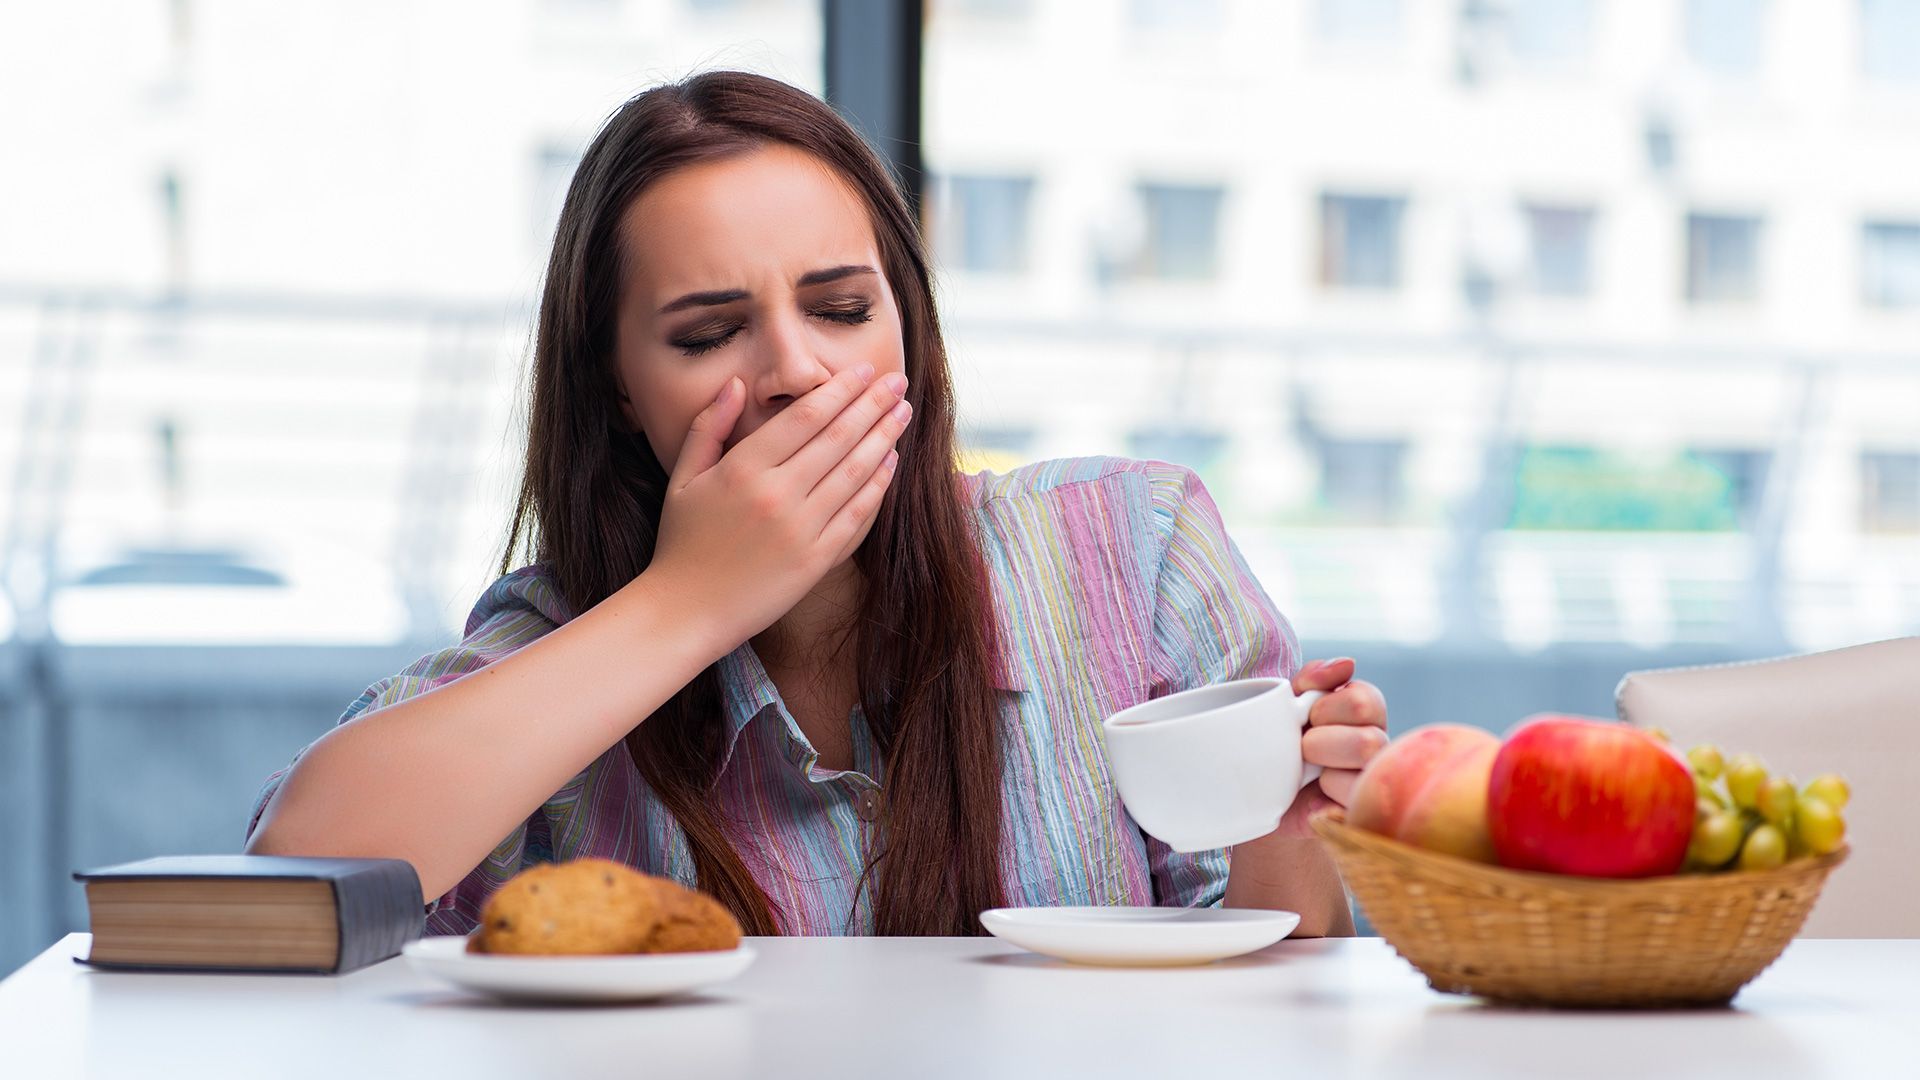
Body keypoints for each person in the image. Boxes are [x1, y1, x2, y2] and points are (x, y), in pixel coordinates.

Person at [245, 71, 1389, 938]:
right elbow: (299, 871)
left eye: (842, 309)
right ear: (620, 389)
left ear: (911, 336)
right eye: (706, 334)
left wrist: (1281, 824)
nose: (794, 370)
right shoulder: (564, 643)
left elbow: (1270, 987)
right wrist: (692, 601)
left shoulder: (1134, 547)